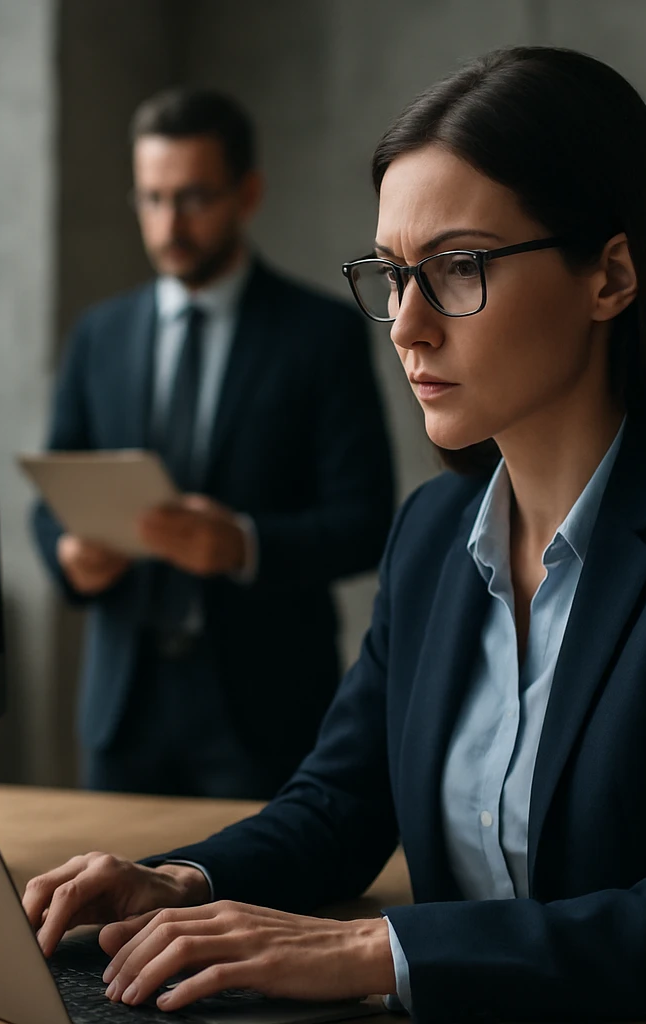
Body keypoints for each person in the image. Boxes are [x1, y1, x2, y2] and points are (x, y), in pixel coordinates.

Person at [21, 47, 646, 1023]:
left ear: (612, 274)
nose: (407, 325)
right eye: (392, 273)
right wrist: (182, 882)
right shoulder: (433, 534)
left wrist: (367, 950)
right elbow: (339, 808)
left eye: (458, 267)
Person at [31, 89, 395, 799]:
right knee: (108, 905)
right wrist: (69, 556)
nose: (170, 224)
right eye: (152, 199)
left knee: (248, 906)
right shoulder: (98, 335)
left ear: (247, 192)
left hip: (265, 710)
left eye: (193, 197)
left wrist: (243, 544)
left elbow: (366, 519)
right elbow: (49, 504)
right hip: (123, 708)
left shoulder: (320, 335)